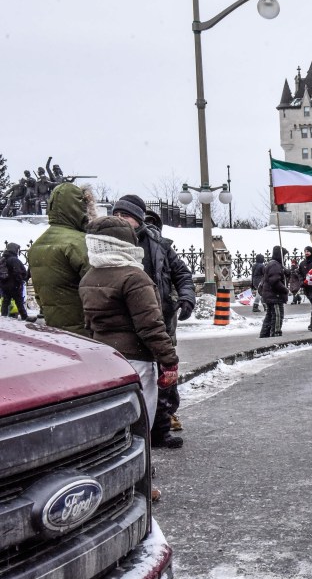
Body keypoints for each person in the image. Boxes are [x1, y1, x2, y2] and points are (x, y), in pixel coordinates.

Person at [78, 217, 178, 445]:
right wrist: (169, 360)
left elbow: (89, 324)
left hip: (105, 358)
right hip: (137, 359)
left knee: (113, 422)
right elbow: (150, 325)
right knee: (140, 422)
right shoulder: (134, 277)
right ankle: (139, 469)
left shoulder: (89, 278)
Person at [112, 195, 195, 449]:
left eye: (125, 216)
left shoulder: (159, 244)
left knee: (165, 377)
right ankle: (128, 434)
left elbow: (182, 273)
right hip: (124, 325)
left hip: (159, 319)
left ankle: (161, 430)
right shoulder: (109, 245)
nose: (120, 220)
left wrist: (186, 297)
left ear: (137, 219)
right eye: (116, 215)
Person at [27, 183, 92, 335]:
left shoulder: (37, 245)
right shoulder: (79, 242)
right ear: (77, 207)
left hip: (55, 329)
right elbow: (98, 288)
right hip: (84, 329)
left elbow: (39, 294)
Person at [259, 246, 289, 338]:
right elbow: (275, 281)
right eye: (283, 256)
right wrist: (285, 289)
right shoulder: (275, 265)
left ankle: (265, 334)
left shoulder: (274, 264)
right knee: (277, 315)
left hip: (270, 295)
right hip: (275, 295)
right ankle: (276, 333)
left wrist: (286, 272)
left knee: (270, 315)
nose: (284, 258)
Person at [1, 243, 36, 322]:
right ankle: (24, 316)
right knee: (19, 301)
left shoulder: (3, 258)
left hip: (5, 284)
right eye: (17, 249)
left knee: (6, 301)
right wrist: (20, 281)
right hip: (14, 284)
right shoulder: (14, 259)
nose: (18, 251)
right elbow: (17, 272)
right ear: (14, 250)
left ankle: (3, 316)